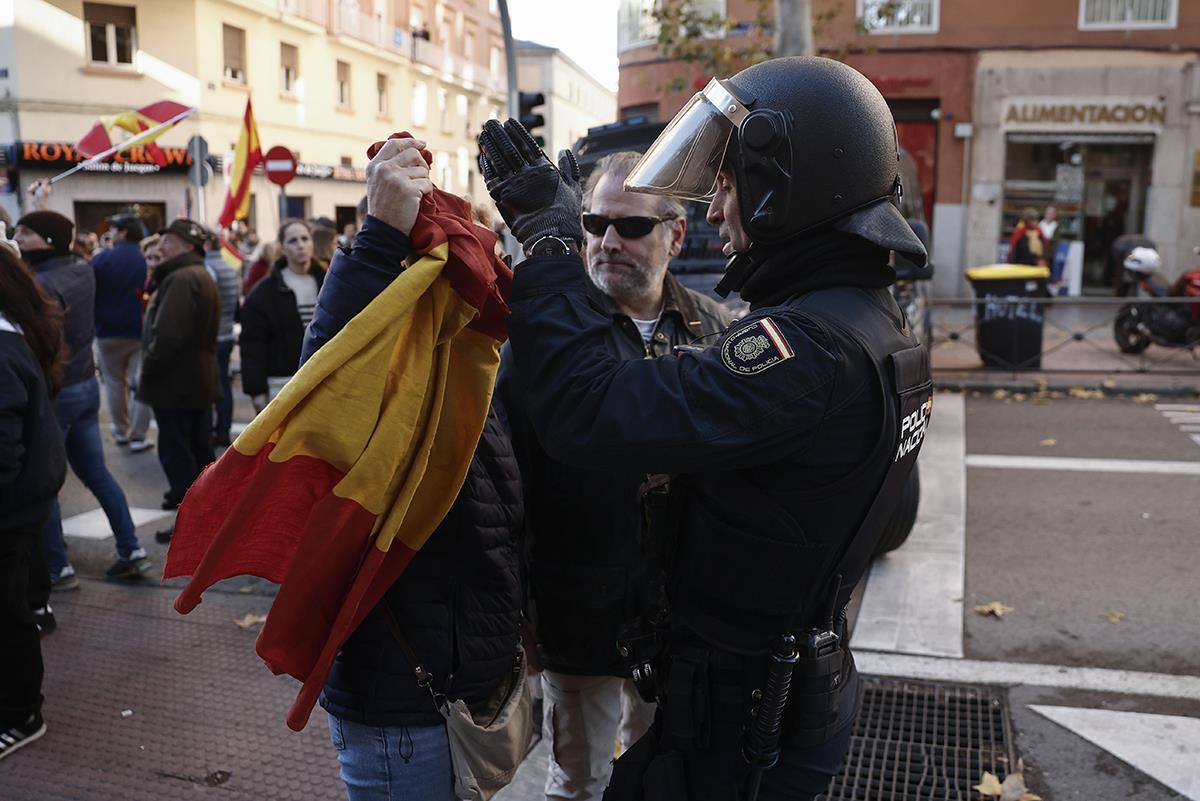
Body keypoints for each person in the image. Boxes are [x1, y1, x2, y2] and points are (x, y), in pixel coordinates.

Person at [479, 56, 932, 801]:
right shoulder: (868, 324)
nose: (718, 209)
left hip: (737, 722)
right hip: (759, 696)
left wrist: (553, 245)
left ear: (788, 186)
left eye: (727, 184)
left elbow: (592, 410)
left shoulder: (808, 349)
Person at [498, 151, 731, 801]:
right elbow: (508, 481)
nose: (606, 241)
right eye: (595, 224)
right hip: (578, 612)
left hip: (682, 613)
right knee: (578, 779)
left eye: (629, 227)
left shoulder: (716, 331)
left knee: (663, 769)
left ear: (675, 235)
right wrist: (523, 613)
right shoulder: (549, 343)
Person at [308, 136, 524, 801]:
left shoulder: (477, 372)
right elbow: (327, 392)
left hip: (467, 687)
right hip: (403, 700)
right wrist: (375, 241)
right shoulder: (387, 386)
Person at [13, 210, 149, 586]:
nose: (18, 237)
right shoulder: (81, 269)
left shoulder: (40, 283)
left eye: (26, 232)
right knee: (97, 473)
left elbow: (36, 342)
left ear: (50, 240)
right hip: (85, 385)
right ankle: (131, 547)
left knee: (45, 481)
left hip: (56, 391)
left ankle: (58, 567)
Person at [0, 241, 67, 761]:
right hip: (23, 498)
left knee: (8, 613)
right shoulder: (16, 334)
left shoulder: (4, 347)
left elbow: (4, 451)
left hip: (12, 506)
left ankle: (22, 714)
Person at [137, 219, 219, 543]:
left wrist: (149, 371)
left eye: (168, 241)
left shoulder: (182, 278)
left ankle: (191, 525)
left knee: (179, 458)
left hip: (176, 385)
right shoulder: (195, 273)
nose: (160, 247)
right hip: (194, 382)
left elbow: (167, 338)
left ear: (188, 246)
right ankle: (207, 522)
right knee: (198, 455)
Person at [240, 218, 326, 414]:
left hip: (325, 378)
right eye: (293, 240)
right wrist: (257, 391)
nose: (301, 245)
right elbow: (253, 343)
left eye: (305, 238)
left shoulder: (328, 282)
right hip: (283, 382)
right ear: (283, 248)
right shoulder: (264, 292)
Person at [91, 214, 154, 452]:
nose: (112, 232)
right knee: (141, 384)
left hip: (107, 331)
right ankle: (138, 435)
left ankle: (121, 431)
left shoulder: (102, 259)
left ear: (124, 232)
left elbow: (91, 291)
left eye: (115, 228)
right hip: (140, 331)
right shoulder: (146, 259)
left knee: (115, 383)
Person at [202, 231, 240, 447]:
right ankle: (223, 430)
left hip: (214, 335)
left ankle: (214, 431)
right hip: (227, 332)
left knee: (210, 387)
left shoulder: (208, 268)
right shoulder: (229, 267)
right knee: (223, 384)